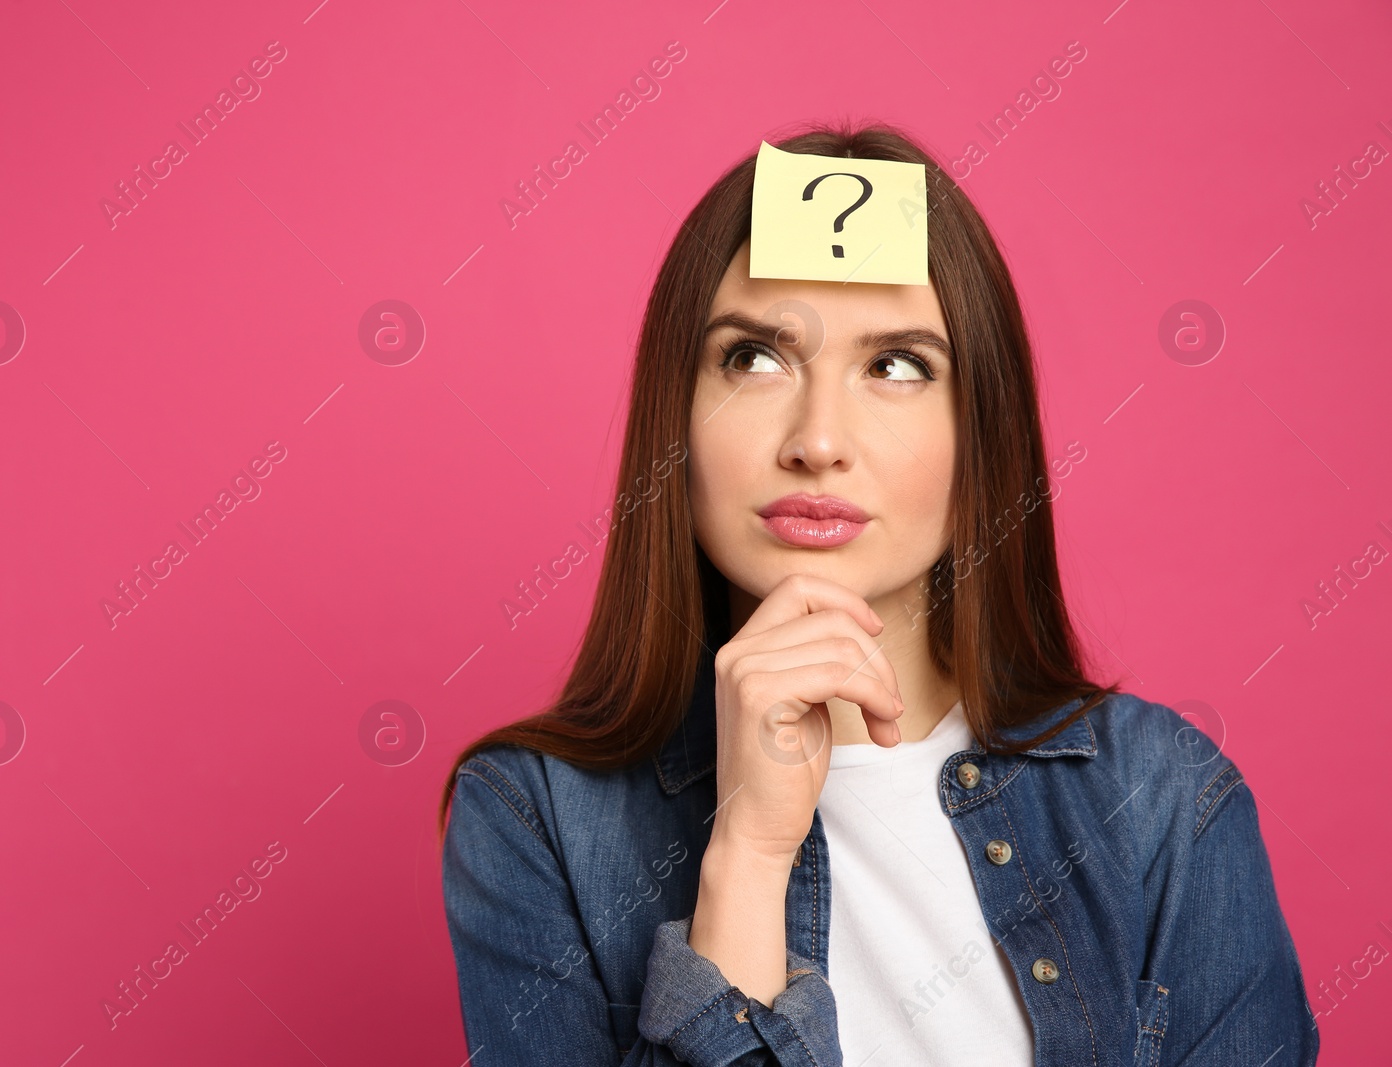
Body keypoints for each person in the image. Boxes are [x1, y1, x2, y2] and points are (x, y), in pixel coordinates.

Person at [437, 121, 1319, 1067]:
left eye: (896, 366)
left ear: (983, 427)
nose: (819, 440)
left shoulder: (1164, 802)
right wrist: (745, 860)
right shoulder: (534, 819)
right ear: (675, 416)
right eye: (754, 358)